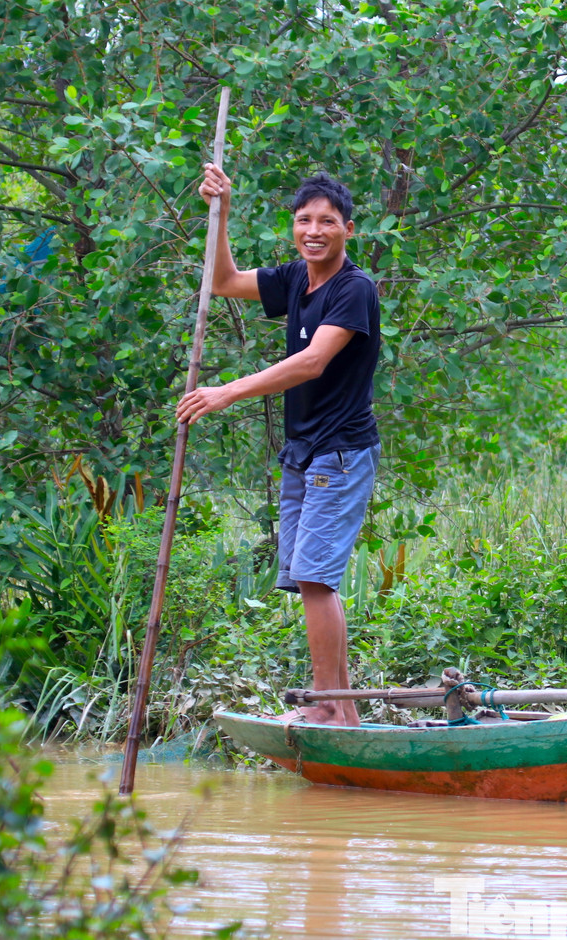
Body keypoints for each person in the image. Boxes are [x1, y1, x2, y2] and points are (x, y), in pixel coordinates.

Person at [177, 163, 380, 727]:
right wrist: (221, 210)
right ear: (294, 227)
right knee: (309, 579)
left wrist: (227, 391)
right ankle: (342, 713)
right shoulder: (295, 279)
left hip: (341, 451)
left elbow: (313, 361)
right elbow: (224, 281)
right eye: (303, 220)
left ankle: (327, 705)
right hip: (304, 450)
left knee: (315, 577)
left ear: (348, 230)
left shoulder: (354, 288)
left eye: (327, 222)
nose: (314, 231)